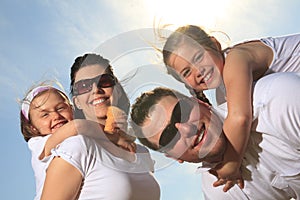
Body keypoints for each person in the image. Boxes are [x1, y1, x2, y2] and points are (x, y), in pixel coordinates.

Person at [161, 25, 300, 185]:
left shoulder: (236, 58)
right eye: (187, 73)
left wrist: (230, 164)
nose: (197, 71)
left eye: (198, 57)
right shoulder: (223, 93)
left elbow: (240, 118)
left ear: (215, 44)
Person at [130, 72, 300, 199]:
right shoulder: (218, 194)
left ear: (200, 102)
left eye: (181, 112)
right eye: (168, 136)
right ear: (174, 157)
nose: (187, 129)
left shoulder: (277, 99)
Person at [40, 53, 160, 199]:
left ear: (116, 90)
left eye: (104, 81)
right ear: (77, 102)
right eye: (84, 86)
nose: (96, 89)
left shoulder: (141, 153)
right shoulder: (77, 146)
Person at [20, 83, 137, 199]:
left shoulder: (79, 139)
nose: (56, 116)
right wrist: (114, 137)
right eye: (45, 115)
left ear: (71, 109)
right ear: (32, 127)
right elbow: (77, 126)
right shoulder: (39, 143)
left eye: (61, 108)